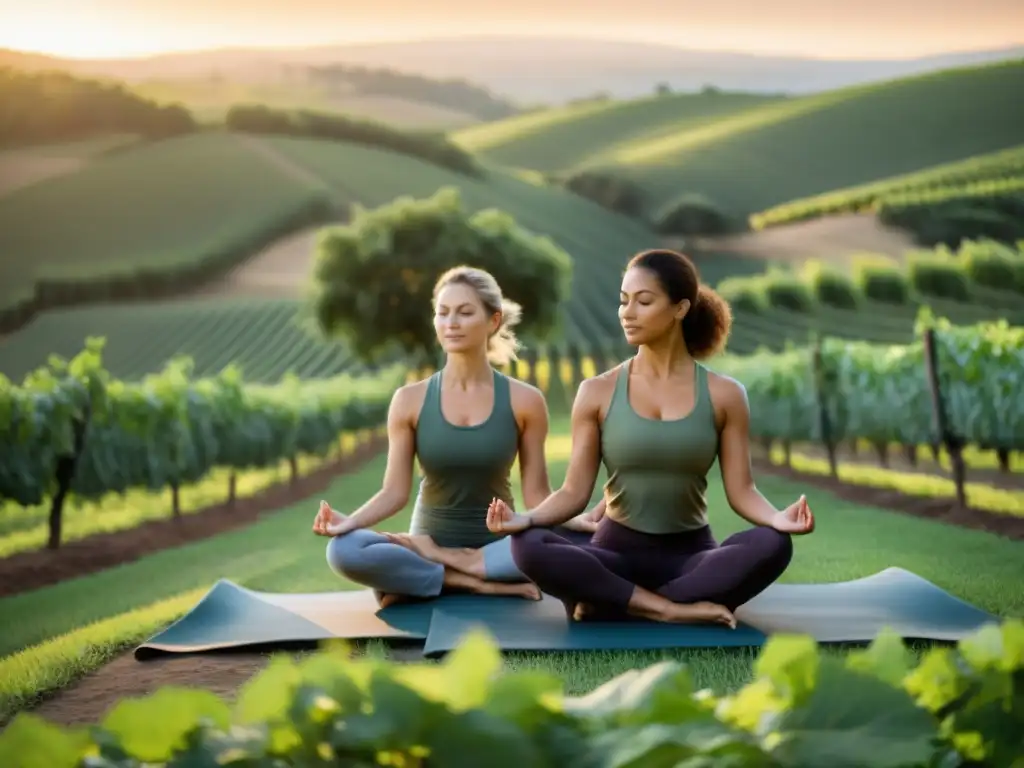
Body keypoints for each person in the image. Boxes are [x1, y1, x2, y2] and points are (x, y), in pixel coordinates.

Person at [485, 249, 815, 628]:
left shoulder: (725, 394)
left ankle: (612, 601)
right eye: (623, 301)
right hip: (614, 553)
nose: (627, 312)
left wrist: (777, 518)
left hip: (691, 556)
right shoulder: (597, 391)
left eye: (643, 301)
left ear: (680, 309)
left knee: (772, 544)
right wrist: (522, 519)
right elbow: (574, 493)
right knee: (528, 544)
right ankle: (669, 608)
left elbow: (742, 491)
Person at [312, 265, 598, 607]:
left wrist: (575, 519)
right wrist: (351, 522)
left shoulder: (525, 401)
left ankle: (437, 574)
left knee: (586, 544)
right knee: (344, 550)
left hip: (499, 545)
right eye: (442, 313)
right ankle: (470, 582)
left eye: (465, 313)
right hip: (427, 543)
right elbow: (394, 492)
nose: (451, 323)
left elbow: (536, 495)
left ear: (493, 321)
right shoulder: (410, 400)